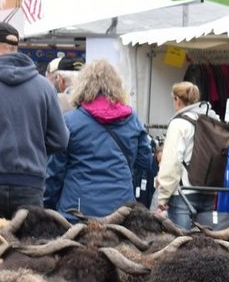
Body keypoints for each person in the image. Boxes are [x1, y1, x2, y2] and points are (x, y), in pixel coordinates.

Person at [0, 21, 68, 227]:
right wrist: (32, 146)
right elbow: (60, 139)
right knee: (28, 246)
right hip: (30, 185)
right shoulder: (44, 87)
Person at [44, 59, 152, 220]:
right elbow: (145, 162)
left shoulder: (70, 122)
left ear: (82, 86)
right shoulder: (132, 120)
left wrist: (48, 205)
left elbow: (54, 172)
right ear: (117, 86)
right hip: (121, 211)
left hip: (77, 212)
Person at [155, 81, 225, 229]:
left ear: (177, 100)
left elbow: (172, 162)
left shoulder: (179, 124)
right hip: (208, 192)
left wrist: (163, 197)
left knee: (182, 241)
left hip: (183, 195)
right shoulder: (213, 121)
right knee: (205, 241)